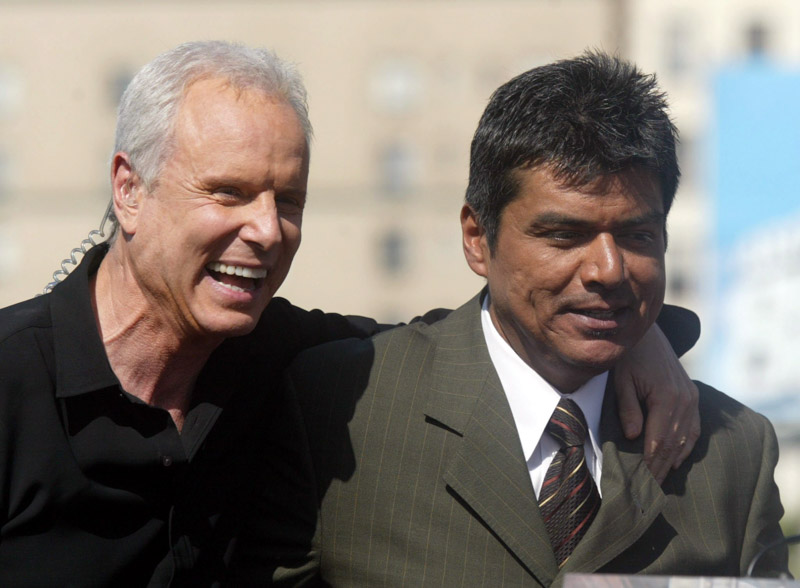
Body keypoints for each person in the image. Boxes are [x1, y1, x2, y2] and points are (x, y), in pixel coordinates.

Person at [0, 42, 698, 586]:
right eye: (230, 192)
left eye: (289, 200)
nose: (268, 230)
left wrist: (634, 336)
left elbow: (463, 343)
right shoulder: (12, 383)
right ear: (129, 190)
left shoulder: (291, 361)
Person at [242, 52, 789, 585]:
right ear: (478, 239)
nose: (607, 269)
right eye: (563, 235)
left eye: (636, 236)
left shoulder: (731, 452)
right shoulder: (343, 411)